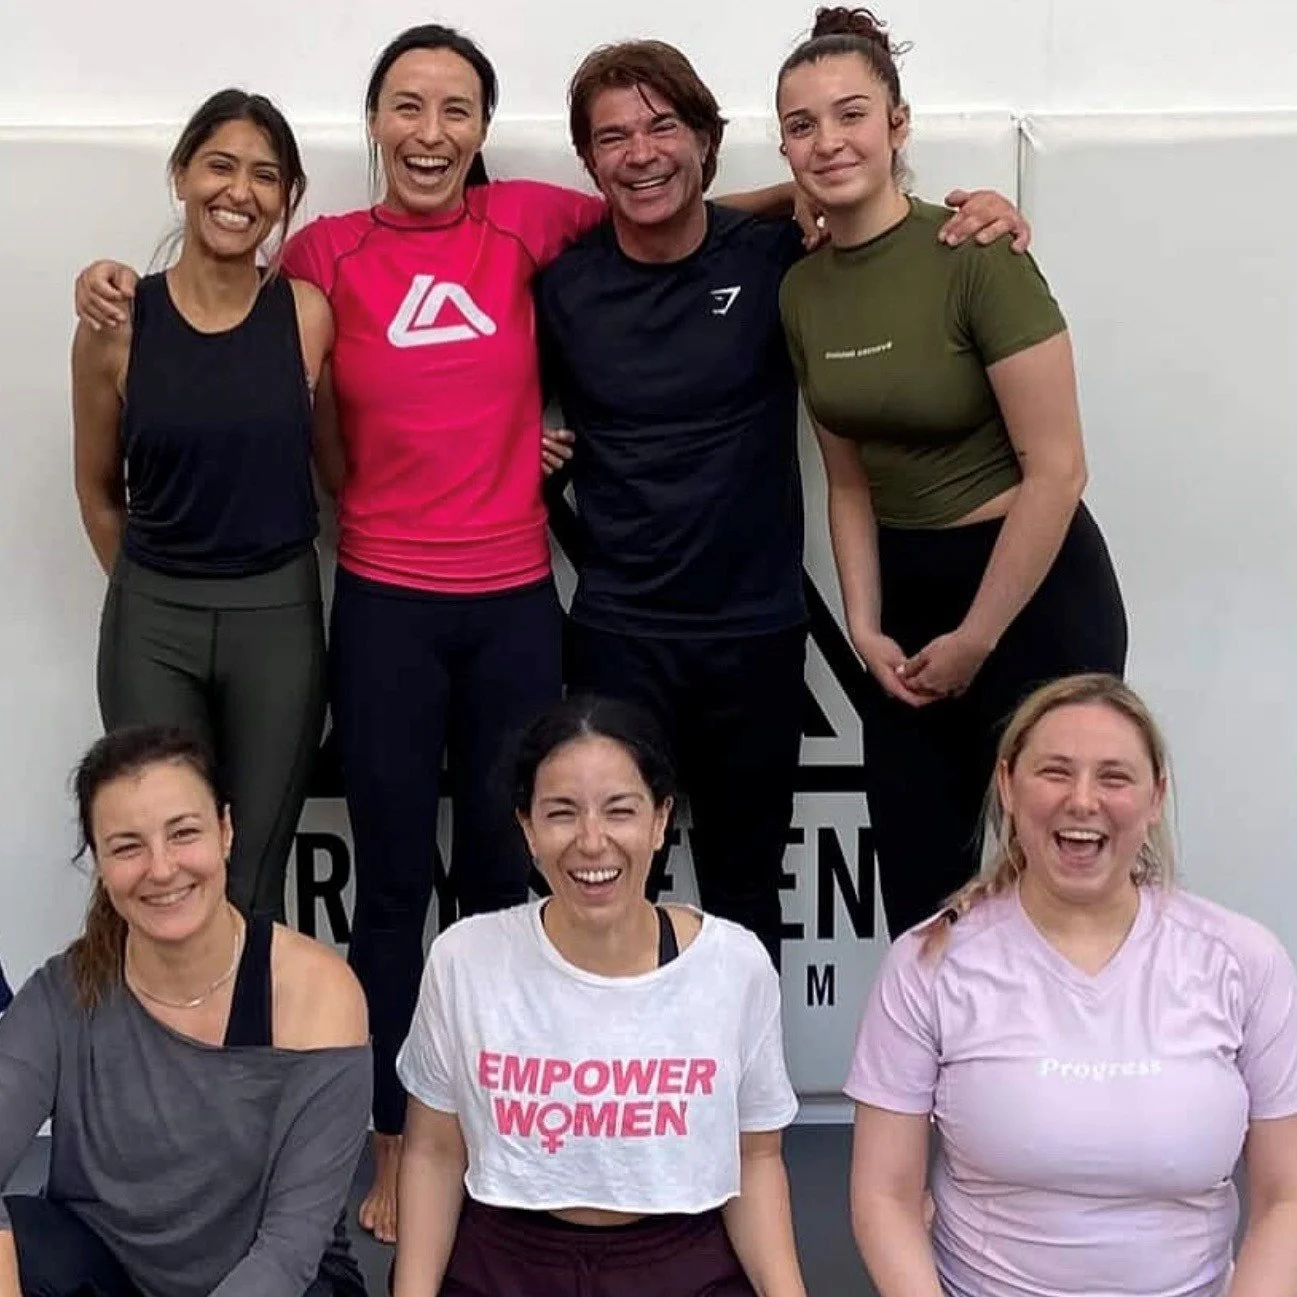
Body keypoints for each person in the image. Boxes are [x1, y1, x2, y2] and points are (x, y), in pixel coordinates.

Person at [72, 23, 813, 1244]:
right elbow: (214, 329)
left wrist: (850, 191)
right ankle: (384, 1140)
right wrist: (104, 281)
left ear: (481, 128)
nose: (430, 132)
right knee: (391, 890)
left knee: (497, 887)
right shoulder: (317, 253)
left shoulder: (531, 218)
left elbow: (672, 202)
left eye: (456, 109)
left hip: (516, 604)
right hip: (382, 605)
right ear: (373, 124)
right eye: (407, 107)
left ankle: (498, 1138)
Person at [535, 38, 1030, 970]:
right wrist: (516, 439)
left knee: (744, 890)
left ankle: (745, 1119)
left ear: (707, 142)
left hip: (755, 632)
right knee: (606, 886)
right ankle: (632, 1112)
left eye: (661, 127)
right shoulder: (563, 290)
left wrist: (982, 207)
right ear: (588, 160)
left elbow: (872, 222)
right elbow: (474, 398)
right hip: (619, 630)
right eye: (612, 137)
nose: (640, 152)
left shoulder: (778, 260)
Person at [776, 7, 1128, 939]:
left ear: (897, 125)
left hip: (1033, 590)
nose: (828, 141)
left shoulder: (978, 255)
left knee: (1057, 881)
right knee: (921, 892)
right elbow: (846, 480)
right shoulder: (801, 288)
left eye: (851, 115)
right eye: (802, 126)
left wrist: (979, 634)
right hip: (909, 599)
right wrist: (861, 625)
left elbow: (1057, 469)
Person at [846, 672, 1297, 1297]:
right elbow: (884, 1196)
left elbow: (1286, 1201)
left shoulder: (1245, 960)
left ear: (1155, 796)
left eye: (1114, 777)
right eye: (1055, 772)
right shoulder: (930, 962)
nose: (1083, 800)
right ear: (1007, 785)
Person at [391, 694, 805, 1297]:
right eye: (561, 813)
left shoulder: (734, 965)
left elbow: (757, 1158)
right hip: (505, 1261)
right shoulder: (465, 959)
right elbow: (432, 1153)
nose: (592, 842)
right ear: (527, 827)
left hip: (683, 1261)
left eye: (620, 811)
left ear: (660, 820)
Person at [72, 89, 333, 923]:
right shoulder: (117, 322)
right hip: (154, 619)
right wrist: (153, 598)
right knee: (156, 873)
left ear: (287, 197)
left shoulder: (305, 313)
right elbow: (95, 488)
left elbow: (340, 460)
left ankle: (240, 1053)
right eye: (220, 165)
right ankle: (142, 1054)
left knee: (248, 878)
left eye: (265, 175)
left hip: (278, 618)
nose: (239, 191)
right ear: (181, 174)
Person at [0, 724, 371, 1297]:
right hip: (107, 1273)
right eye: (127, 846)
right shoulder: (64, 992)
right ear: (99, 862)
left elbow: (288, 1250)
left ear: (225, 831)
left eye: (183, 834)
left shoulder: (317, 993)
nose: (162, 868)